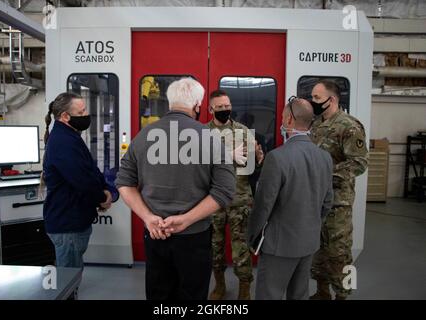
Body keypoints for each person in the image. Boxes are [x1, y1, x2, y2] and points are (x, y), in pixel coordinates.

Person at [115, 78, 236, 300]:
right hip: (194, 236)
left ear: (169, 103)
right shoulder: (211, 138)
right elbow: (225, 191)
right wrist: (187, 219)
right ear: (198, 105)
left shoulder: (143, 136)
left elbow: (124, 182)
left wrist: (148, 217)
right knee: (192, 295)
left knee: (159, 294)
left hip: (155, 233)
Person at [247, 97, 333, 300]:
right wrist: (310, 225)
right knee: (299, 294)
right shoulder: (325, 157)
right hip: (308, 242)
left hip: (279, 246)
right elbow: (327, 202)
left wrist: (252, 236)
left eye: (284, 118)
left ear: (289, 121)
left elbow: (263, 205)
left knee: (270, 294)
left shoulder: (277, 157)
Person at [308, 79, 369, 300]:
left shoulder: (349, 126)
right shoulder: (316, 124)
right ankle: (321, 292)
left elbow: (359, 163)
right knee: (318, 250)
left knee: (340, 253)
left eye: (316, 97)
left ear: (331, 99)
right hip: (315, 200)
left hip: (338, 202)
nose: (312, 101)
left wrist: (325, 173)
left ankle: (343, 295)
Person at [42, 93, 112, 276]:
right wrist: (102, 197)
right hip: (68, 225)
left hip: (72, 221)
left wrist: (103, 189)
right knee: (68, 280)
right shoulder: (63, 142)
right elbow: (82, 180)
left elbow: (89, 169)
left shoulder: (70, 136)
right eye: (81, 112)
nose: (86, 115)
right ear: (65, 116)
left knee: (72, 272)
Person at [207, 90, 263, 300]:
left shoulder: (243, 131)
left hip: (240, 200)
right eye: (219, 107)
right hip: (213, 202)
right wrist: (226, 156)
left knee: (241, 248)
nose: (224, 110)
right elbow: (197, 165)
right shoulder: (202, 133)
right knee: (215, 247)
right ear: (211, 109)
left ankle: (244, 288)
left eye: (227, 106)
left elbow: (253, 166)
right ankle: (219, 285)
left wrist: (258, 157)